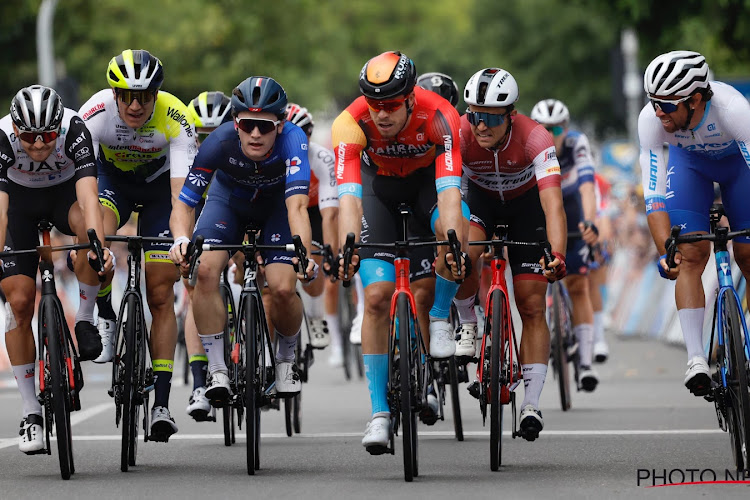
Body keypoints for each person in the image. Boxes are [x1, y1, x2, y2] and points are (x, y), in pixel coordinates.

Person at [332, 50, 467, 454]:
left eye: (391, 105)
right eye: (375, 106)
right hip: (379, 192)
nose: (382, 115)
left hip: (428, 187)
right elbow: (350, 199)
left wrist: (452, 243)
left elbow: (449, 196)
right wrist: (349, 247)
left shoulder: (442, 117)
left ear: (411, 98)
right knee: (376, 296)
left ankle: (440, 320)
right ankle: (379, 413)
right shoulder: (349, 123)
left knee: (440, 260)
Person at [169, 76, 316, 405]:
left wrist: (301, 253)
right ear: (236, 123)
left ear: (280, 124)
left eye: (264, 127)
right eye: (247, 125)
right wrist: (180, 239)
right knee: (204, 271)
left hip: (277, 207)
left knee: (281, 286)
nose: (255, 134)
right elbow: (185, 203)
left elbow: (297, 207)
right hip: (228, 204)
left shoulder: (294, 141)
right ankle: (217, 369)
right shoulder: (219, 142)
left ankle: (286, 359)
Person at [79, 49, 196, 441]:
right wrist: (96, 241)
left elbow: (182, 197)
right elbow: (82, 185)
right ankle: (105, 309)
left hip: (162, 193)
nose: (134, 104)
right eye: (126, 95)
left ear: (156, 94)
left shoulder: (175, 117)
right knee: (92, 239)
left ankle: (161, 403)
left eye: (144, 96)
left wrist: (182, 240)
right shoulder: (94, 113)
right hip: (113, 186)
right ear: (113, 94)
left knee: (160, 292)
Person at [451, 68, 567, 441]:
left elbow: (553, 205)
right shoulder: (459, 135)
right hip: (481, 203)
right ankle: (468, 319)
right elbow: (450, 197)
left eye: (488, 117)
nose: (479, 126)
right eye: (473, 115)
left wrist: (558, 254)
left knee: (532, 304)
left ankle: (531, 403)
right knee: (462, 252)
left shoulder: (536, 138)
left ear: (510, 115)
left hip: (526, 209)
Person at [0, 85, 113, 453]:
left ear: (58, 128)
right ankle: (31, 412)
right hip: (19, 204)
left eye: (47, 135)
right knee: (18, 302)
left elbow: (88, 196)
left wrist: (97, 245)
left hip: (65, 195)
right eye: (28, 137)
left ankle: (83, 317)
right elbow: (0, 210)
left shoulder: (75, 128)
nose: (37, 145)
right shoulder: (2, 135)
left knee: (91, 230)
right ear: (16, 129)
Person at [640, 50, 750, 396]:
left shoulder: (734, 111)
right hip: (690, 168)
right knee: (689, 254)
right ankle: (696, 359)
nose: (660, 112)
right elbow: (654, 195)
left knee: (748, 255)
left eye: (668, 105)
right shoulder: (651, 120)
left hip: (738, 169)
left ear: (697, 99)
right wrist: (666, 250)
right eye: (654, 102)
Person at [530, 98, 600, 391]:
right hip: (538, 213)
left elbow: (587, 187)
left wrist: (590, 223)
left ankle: (585, 361)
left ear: (566, 130)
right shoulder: (528, 146)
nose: (551, 135)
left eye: (556, 130)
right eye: (544, 129)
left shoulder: (577, 144)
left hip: (571, 212)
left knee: (578, 284)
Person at [182, 90, 233, 421]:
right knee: (196, 288)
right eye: (201, 136)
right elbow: (182, 206)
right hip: (200, 215)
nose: (208, 144)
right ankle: (200, 384)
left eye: (216, 135)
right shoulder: (185, 158)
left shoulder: (241, 156)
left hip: (234, 211)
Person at [285, 103, 343, 365]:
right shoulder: (273, 156)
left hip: (317, 211)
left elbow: (331, 214)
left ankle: (316, 315)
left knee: (315, 263)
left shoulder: (321, 157)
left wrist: (330, 252)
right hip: (287, 209)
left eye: (303, 134)